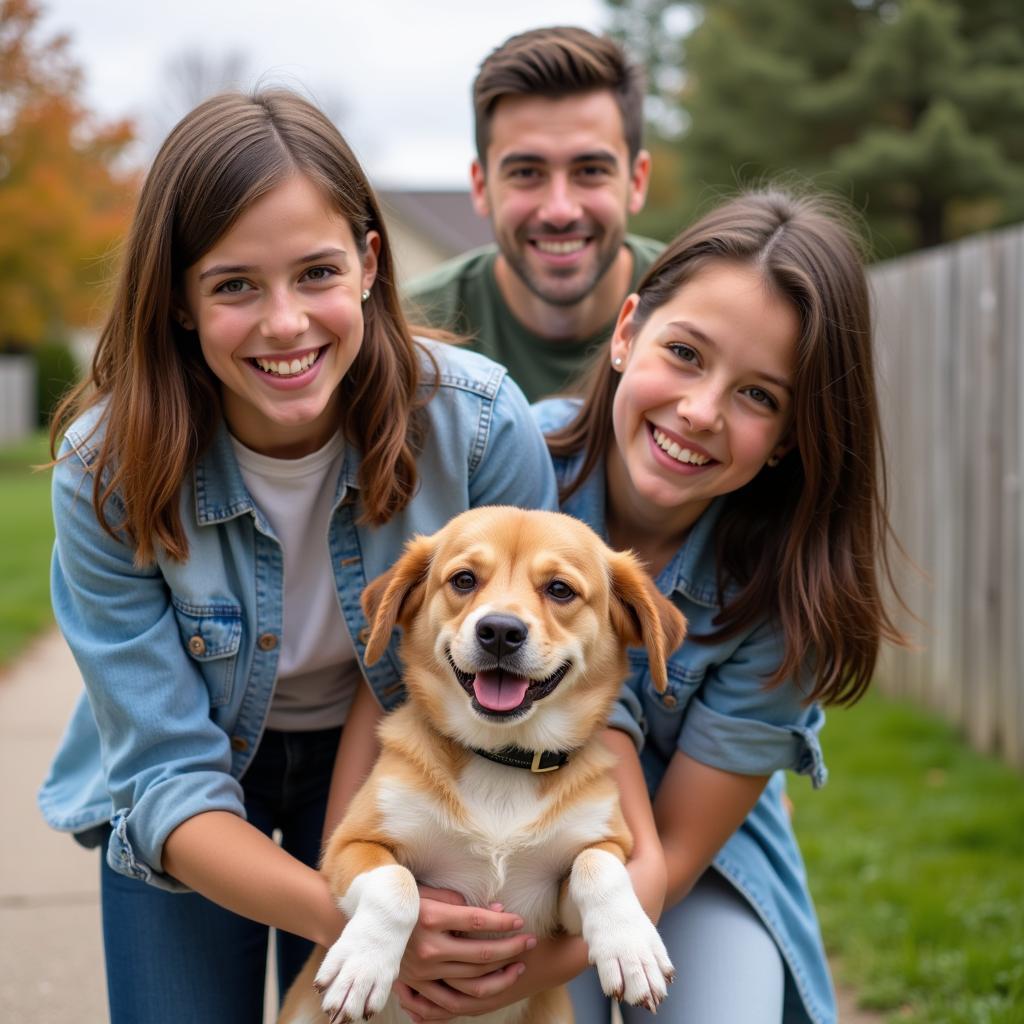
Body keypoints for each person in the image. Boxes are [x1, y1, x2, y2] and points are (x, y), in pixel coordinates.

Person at [37, 88, 565, 1024]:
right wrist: (366, 920)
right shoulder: (103, 472)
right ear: (179, 303)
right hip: (199, 783)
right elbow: (166, 772)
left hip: (400, 756)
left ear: (368, 264)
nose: (286, 325)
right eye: (235, 284)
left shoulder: (480, 428)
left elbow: (513, 669)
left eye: (316, 272)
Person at [533, 188, 905, 1024]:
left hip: (682, 854)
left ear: (793, 438)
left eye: (759, 397)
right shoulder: (516, 471)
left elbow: (674, 857)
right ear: (628, 332)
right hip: (510, 817)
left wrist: (533, 968)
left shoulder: (787, 591)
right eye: (687, 354)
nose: (701, 412)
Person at [405, 25, 659, 402]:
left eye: (590, 171)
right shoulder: (410, 336)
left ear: (636, 182)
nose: (559, 210)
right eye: (526, 173)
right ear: (481, 186)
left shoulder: (697, 311)